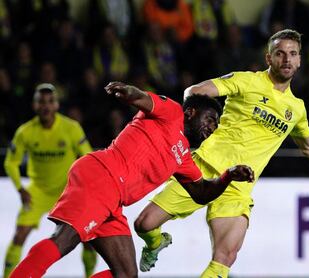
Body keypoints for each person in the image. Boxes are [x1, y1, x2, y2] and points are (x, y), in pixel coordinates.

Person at [134, 29, 309, 278]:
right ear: (268, 58)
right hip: (202, 170)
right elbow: (194, 92)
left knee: (224, 259)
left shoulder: (296, 109)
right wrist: (206, 123)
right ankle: (155, 242)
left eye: (293, 54)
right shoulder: (247, 80)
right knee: (144, 224)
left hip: (238, 186)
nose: (287, 60)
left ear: (300, 60)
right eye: (280, 54)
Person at [10, 82, 254, 278]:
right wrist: (130, 93)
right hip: (102, 176)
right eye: (210, 119)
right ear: (191, 112)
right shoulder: (172, 113)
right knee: (64, 240)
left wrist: (227, 176)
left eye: (216, 124)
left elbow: (201, 192)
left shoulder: (183, 157)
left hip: (113, 198)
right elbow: (145, 100)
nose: (213, 127)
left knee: (125, 274)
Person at [3, 83, 97, 278]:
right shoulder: (25, 132)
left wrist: (85, 187)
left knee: (88, 236)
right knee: (19, 235)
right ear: (34, 105)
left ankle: (89, 275)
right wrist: (20, 189)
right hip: (38, 191)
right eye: (41, 102)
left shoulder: (71, 128)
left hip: (68, 191)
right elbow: (10, 163)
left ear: (56, 105)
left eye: (50, 101)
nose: (45, 106)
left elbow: (88, 156)